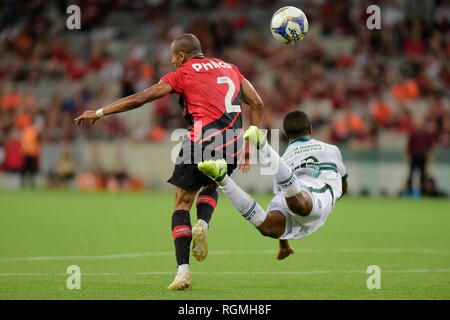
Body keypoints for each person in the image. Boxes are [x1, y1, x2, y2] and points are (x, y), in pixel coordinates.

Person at [74, 34, 264, 290]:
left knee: (181, 203)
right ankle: (203, 224)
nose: (172, 62)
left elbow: (143, 97)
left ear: (182, 55)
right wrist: (250, 145)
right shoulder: (230, 68)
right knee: (212, 185)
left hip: (199, 141)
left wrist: (100, 112)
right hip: (231, 144)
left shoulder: (183, 72)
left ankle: (183, 271)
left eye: (173, 57)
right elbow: (257, 103)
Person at [198, 111, 348, 259]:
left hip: (296, 187)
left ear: (286, 135)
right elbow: (343, 184)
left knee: (266, 226)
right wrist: (336, 196)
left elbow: (282, 200)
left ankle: (222, 178)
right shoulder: (331, 149)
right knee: (299, 204)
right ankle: (263, 146)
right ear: (310, 129)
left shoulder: (283, 160)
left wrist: (284, 245)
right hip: (316, 189)